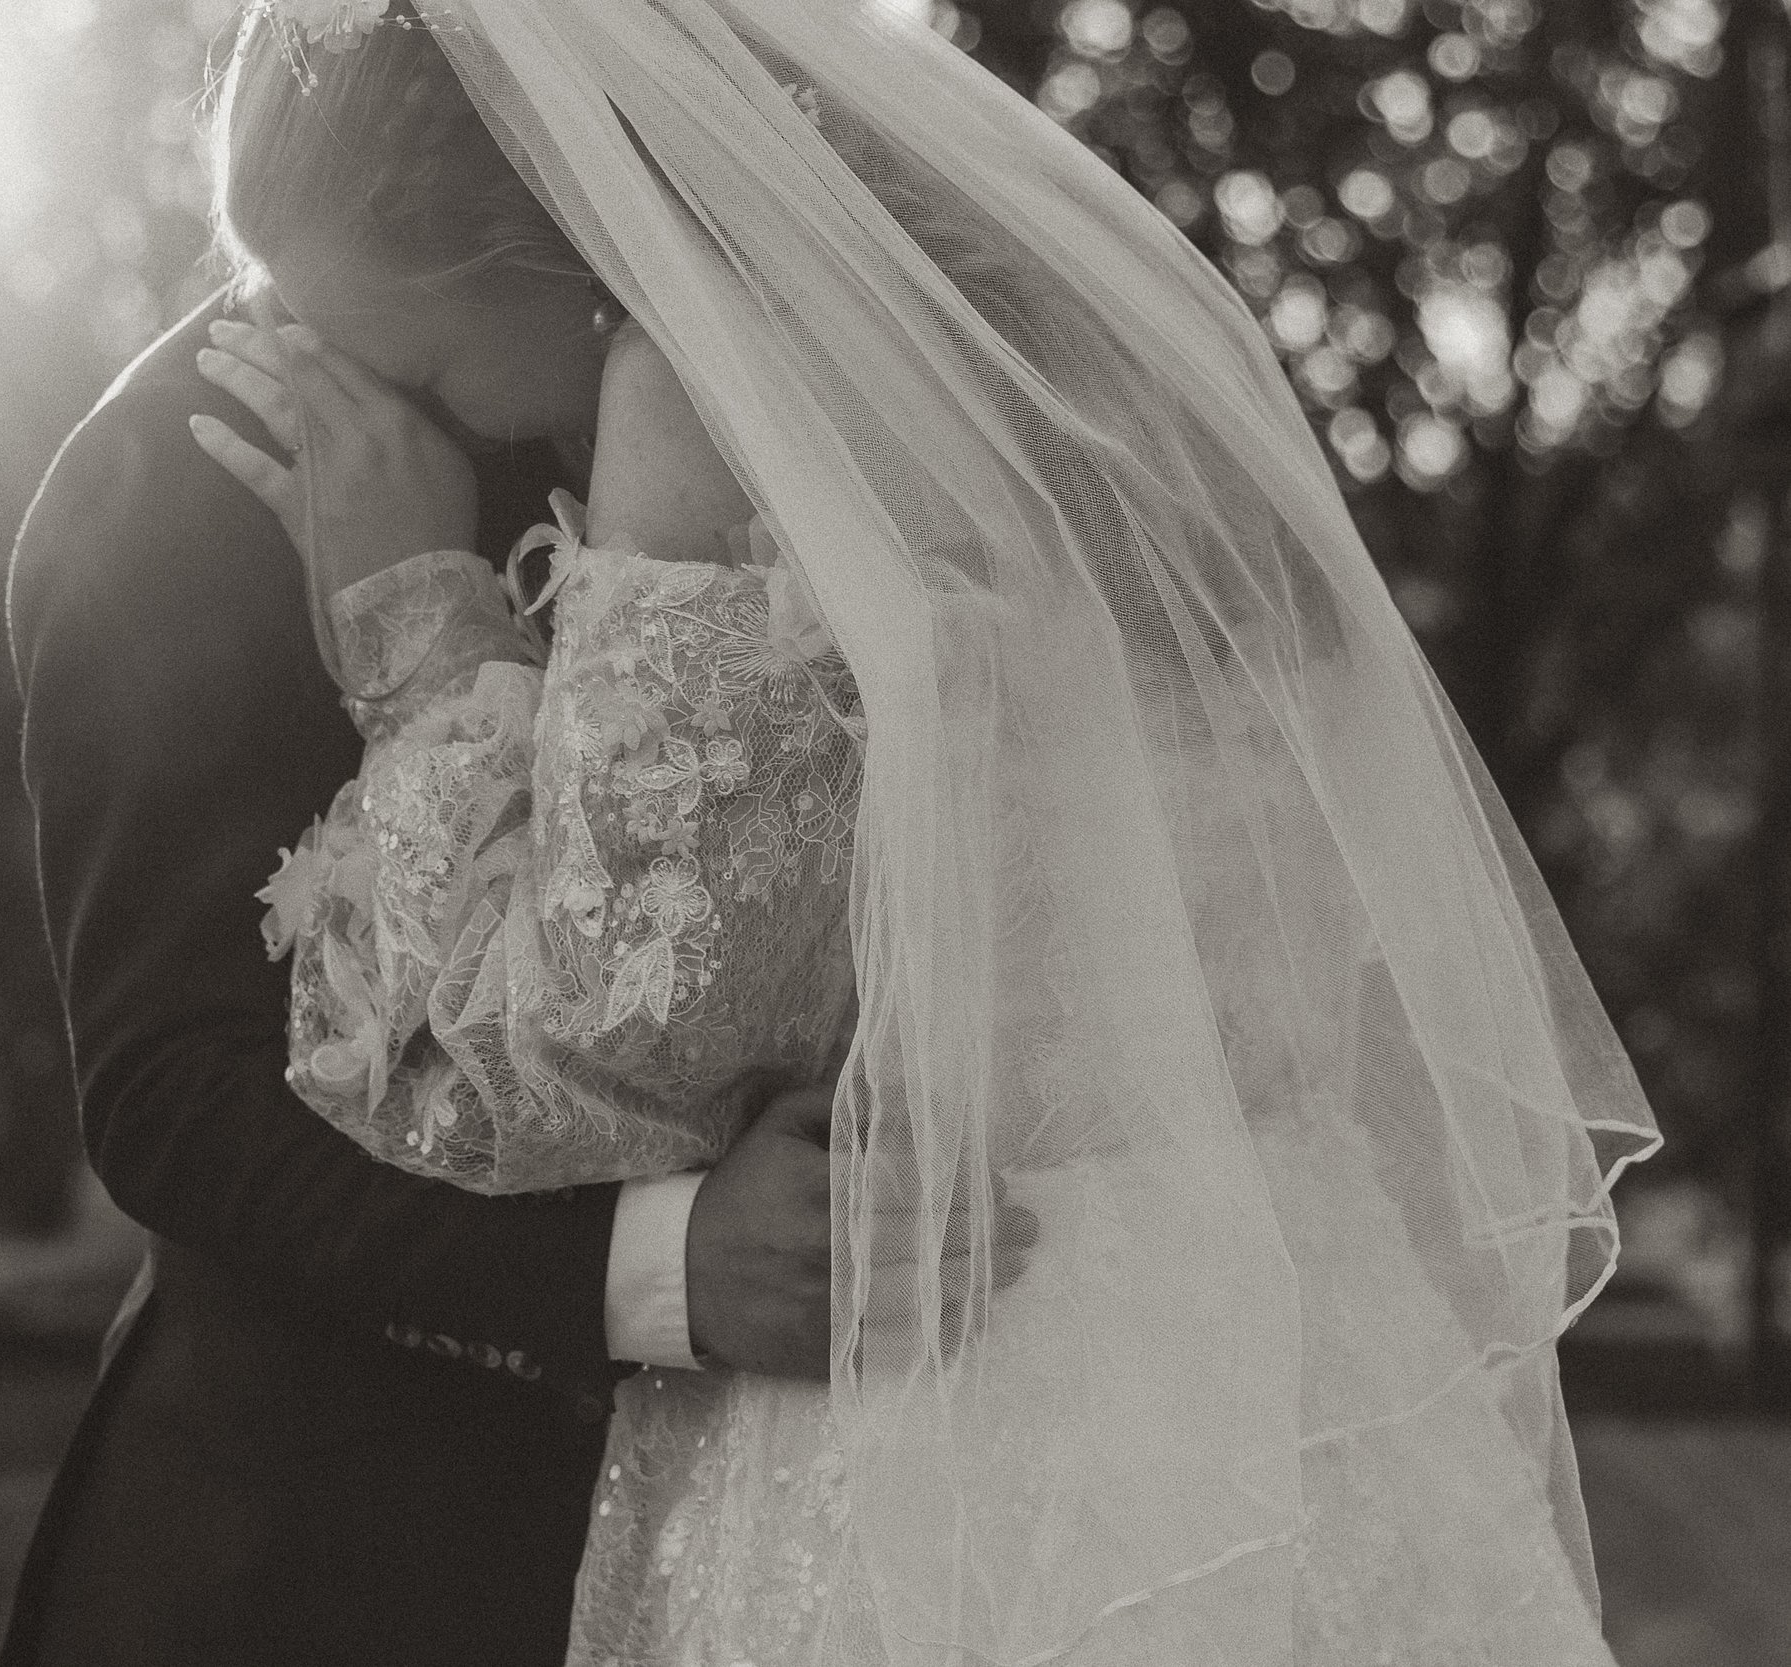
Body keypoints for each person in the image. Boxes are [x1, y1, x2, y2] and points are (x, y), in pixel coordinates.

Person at [184, 0, 1663, 1663]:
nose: (401, 416)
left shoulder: (704, 384)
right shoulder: (1109, 350)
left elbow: (589, 1051)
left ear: (539, 212)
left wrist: (422, 628)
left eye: (420, 364)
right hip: (1293, 1327)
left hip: (962, 1378)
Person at [0, 132, 864, 1667]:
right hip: (344, 1560)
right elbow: (170, 1094)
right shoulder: (188, 470)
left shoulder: (829, 373)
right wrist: (662, 1268)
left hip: (827, 1492)